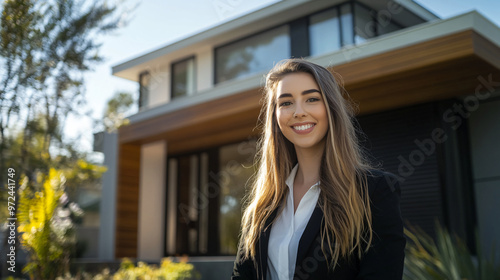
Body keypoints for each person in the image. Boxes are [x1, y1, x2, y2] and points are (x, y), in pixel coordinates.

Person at [231, 58, 405, 280]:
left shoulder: (375, 191)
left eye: (311, 99)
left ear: (330, 107)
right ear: (275, 117)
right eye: (286, 103)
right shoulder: (264, 202)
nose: (299, 112)